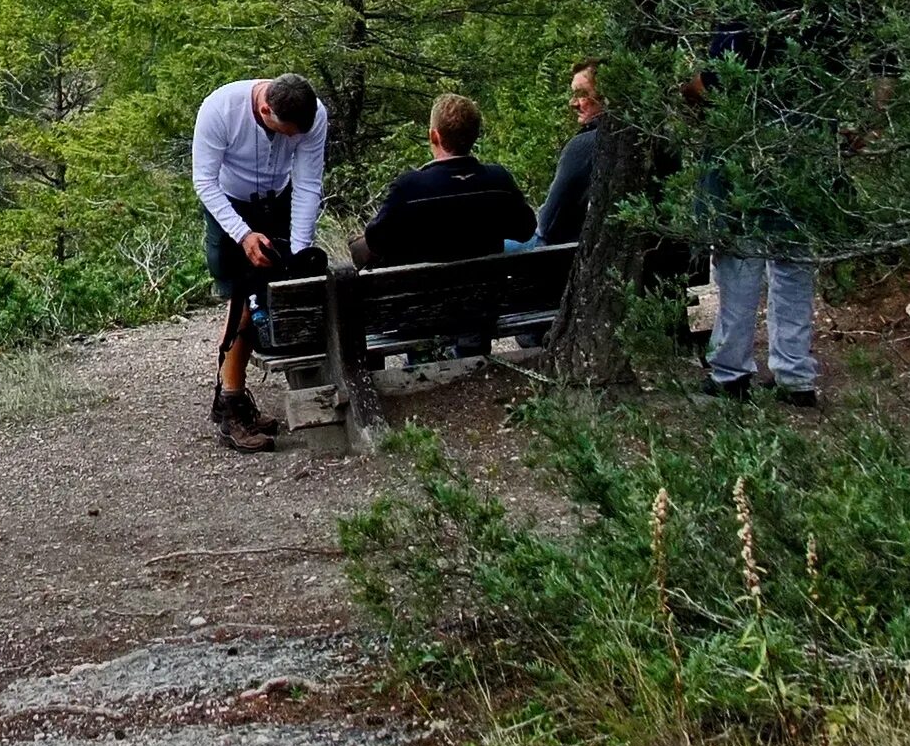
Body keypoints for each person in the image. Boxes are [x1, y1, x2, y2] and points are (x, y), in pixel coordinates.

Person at [694, 0, 820, 407]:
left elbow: (721, 78)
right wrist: (865, 124)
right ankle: (795, 374)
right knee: (794, 255)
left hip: (744, 141)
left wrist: (686, 87)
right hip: (809, 137)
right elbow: (882, 65)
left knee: (740, 253)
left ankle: (730, 370)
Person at [192, 73, 328, 453]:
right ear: (265, 108)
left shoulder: (312, 116)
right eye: (284, 132)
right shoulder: (219, 109)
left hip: (278, 199)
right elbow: (204, 181)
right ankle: (230, 406)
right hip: (229, 205)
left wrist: (298, 255)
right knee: (242, 302)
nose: (291, 140)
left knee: (273, 297)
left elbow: (307, 182)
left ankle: (231, 402)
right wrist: (243, 234)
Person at [359, 93, 538, 270]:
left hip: (423, 294)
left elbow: (376, 240)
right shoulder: (499, 181)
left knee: (358, 246)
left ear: (434, 136)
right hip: (490, 291)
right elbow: (525, 230)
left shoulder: (408, 188)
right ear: (475, 135)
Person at [508, 59, 606, 253]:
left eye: (582, 95)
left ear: (606, 97)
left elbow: (547, 225)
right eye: (573, 95)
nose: (573, 103)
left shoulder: (584, 146)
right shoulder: (655, 138)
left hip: (566, 251)